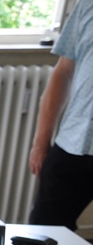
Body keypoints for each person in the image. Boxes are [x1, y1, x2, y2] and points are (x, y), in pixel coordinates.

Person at [28, 0, 93, 231]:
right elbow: (64, 72)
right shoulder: (86, 6)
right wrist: (40, 142)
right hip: (74, 140)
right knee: (43, 234)